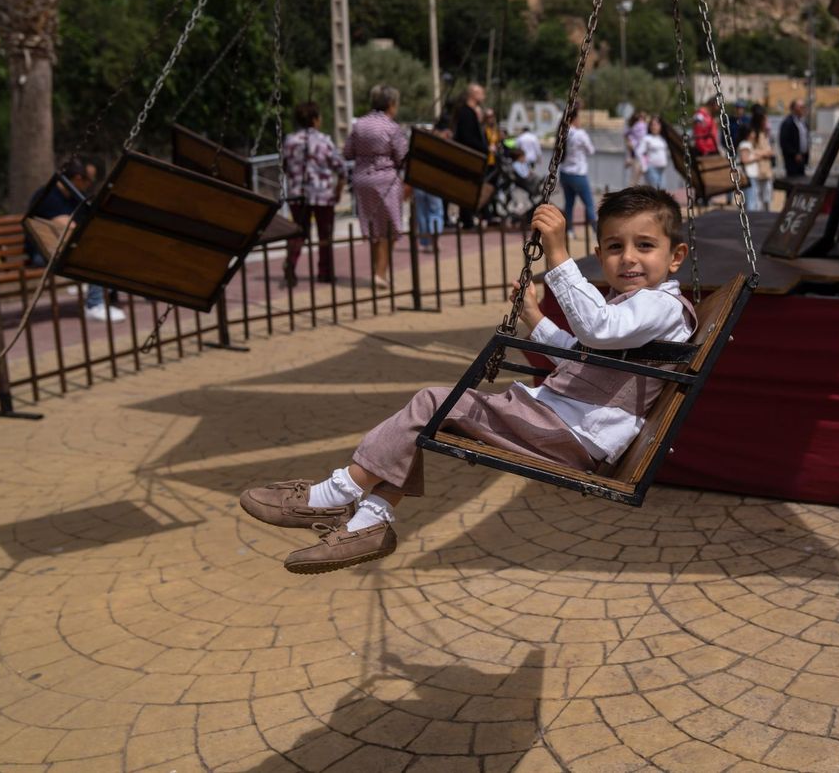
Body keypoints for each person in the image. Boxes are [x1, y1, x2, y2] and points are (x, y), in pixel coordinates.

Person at [237, 187, 694, 573]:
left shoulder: (660, 306)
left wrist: (557, 255)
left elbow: (596, 332)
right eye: (615, 247)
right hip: (564, 426)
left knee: (435, 403)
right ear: (601, 254)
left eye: (644, 246)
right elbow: (583, 353)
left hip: (572, 435)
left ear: (675, 257)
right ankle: (369, 522)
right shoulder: (634, 306)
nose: (628, 258)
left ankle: (337, 494)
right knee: (436, 415)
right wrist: (535, 317)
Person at [26, 157, 124, 322]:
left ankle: (110, 296)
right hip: (42, 252)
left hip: (65, 247)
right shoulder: (48, 196)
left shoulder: (74, 196)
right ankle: (94, 305)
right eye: (87, 181)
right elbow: (66, 226)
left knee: (107, 247)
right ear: (78, 179)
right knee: (93, 255)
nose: (88, 186)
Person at [344, 84, 410, 289]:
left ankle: (376, 270)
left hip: (362, 179)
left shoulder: (359, 124)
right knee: (389, 228)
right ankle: (380, 274)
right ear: (391, 104)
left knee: (373, 227)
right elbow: (402, 156)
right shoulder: (392, 127)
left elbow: (347, 152)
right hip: (385, 179)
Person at [281, 101, 347, 286]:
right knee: (325, 235)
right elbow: (340, 168)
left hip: (297, 194)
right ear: (314, 120)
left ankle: (291, 263)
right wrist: (339, 189)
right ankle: (324, 272)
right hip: (322, 195)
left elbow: (285, 166)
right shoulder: (324, 140)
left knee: (299, 232)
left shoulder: (289, 141)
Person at [452, 84, 488, 228]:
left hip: (472, 157)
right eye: (480, 92)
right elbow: (467, 137)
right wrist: (483, 149)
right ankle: (467, 218)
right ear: (472, 94)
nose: (483, 95)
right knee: (467, 189)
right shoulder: (466, 113)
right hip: (469, 158)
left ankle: (469, 216)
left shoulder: (470, 112)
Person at [560, 100, 597, 230]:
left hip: (564, 172)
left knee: (569, 203)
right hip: (578, 173)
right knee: (589, 203)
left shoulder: (562, 132)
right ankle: (595, 229)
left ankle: (569, 230)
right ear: (574, 118)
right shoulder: (580, 134)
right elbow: (591, 150)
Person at [737, 106, 776, 212]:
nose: (766, 122)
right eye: (764, 119)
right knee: (756, 200)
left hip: (766, 170)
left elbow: (769, 150)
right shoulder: (753, 134)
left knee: (766, 198)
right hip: (757, 171)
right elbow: (750, 151)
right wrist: (764, 154)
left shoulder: (765, 133)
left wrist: (768, 153)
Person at [779, 99, 809, 179]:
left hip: (802, 158)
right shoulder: (787, 122)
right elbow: (784, 142)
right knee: (793, 181)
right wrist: (794, 153)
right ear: (794, 108)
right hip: (792, 160)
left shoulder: (803, 122)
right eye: (801, 107)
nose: (803, 109)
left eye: (804, 107)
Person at [641, 116, 670, 189]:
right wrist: (645, 167)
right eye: (653, 125)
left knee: (663, 189)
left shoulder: (662, 139)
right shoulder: (647, 138)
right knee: (655, 189)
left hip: (662, 169)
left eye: (657, 125)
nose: (655, 127)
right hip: (652, 168)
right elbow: (640, 153)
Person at [626, 111, 650, 183]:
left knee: (636, 179)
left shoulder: (634, 128)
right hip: (641, 156)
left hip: (640, 156)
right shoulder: (642, 126)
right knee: (637, 179)